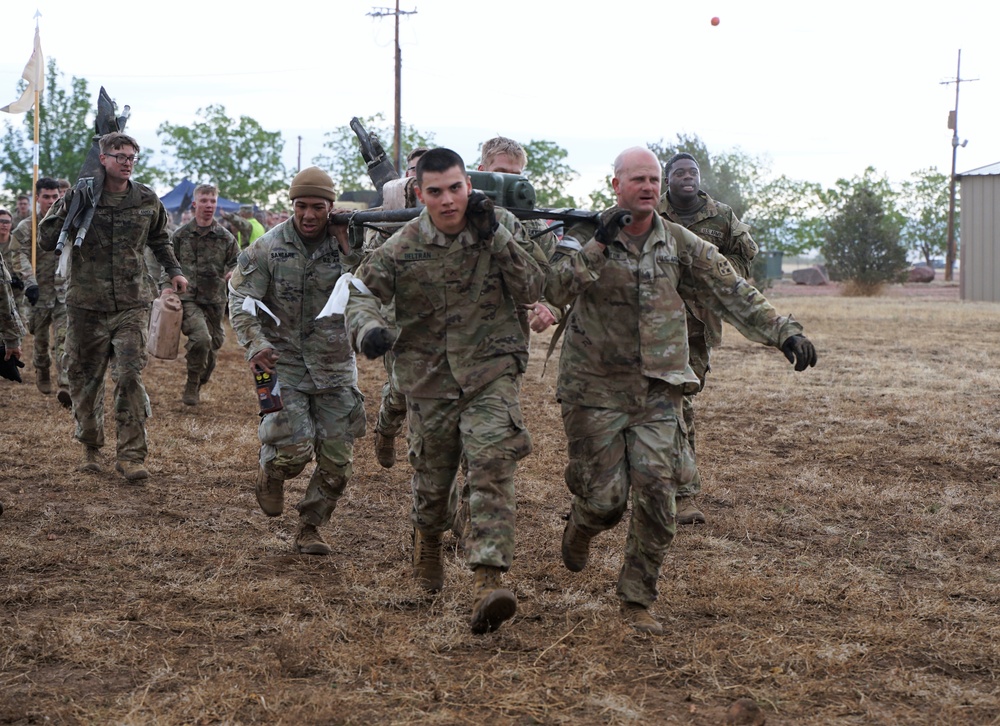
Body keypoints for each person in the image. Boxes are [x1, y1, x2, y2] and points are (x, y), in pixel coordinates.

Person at [548, 147, 816, 634]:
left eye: (654, 179)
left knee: (657, 492)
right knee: (606, 500)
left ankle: (636, 599)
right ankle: (583, 524)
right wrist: (597, 247)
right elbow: (553, 289)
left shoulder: (679, 241)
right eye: (638, 179)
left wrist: (784, 332)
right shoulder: (586, 232)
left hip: (659, 387)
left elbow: (730, 288)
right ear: (616, 185)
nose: (649, 187)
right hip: (594, 389)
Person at [344, 147, 545, 634]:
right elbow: (359, 293)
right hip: (429, 377)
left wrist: (495, 234)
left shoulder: (501, 229)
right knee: (433, 485)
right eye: (435, 191)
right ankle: (427, 539)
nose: (448, 199)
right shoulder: (404, 244)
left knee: (491, 464)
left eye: (456, 188)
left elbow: (534, 285)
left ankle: (488, 579)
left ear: (469, 186)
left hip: (491, 371)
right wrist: (367, 330)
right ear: (419, 194)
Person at [228, 167, 366, 556]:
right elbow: (239, 299)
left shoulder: (349, 244)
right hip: (279, 362)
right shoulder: (267, 247)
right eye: (301, 206)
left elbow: (374, 283)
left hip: (335, 365)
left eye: (317, 207)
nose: (308, 215)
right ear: (291, 205)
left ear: (330, 207)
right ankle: (272, 472)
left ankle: (310, 527)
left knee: (338, 463)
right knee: (293, 450)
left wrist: (350, 249)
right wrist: (255, 344)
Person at [38, 132, 188, 482]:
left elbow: (160, 239)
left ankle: (132, 456)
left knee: (129, 376)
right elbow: (47, 241)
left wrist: (175, 271)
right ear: (102, 159)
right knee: (84, 380)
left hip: (132, 303)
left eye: (131, 156)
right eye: (119, 155)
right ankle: (90, 446)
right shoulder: (80, 195)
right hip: (85, 305)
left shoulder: (147, 199)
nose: (126, 161)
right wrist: (69, 205)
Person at [657, 152, 760, 526]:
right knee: (655, 407)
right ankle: (666, 493)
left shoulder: (721, 216)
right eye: (679, 172)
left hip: (696, 328)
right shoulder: (651, 209)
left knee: (680, 405)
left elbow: (745, 260)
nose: (687, 177)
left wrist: (713, 275)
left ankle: (680, 494)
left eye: (693, 172)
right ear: (668, 179)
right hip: (649, 324)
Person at [152, 183, 239, 406]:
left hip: (215, 301)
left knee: (213, 347)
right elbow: (168, 264)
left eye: (212, 202)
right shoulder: (181, 235)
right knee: (201, 339)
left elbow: (236, 263)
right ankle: (191, 384)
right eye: (204, 201)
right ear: (195, 204)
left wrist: (232, 273)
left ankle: (200, 380)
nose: (208, 206)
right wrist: (166, 287)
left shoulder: (226, 237)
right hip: (188, 299)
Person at [368, 145, 428, 469]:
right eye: (413, 170)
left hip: (435, 319)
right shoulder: (383, 216)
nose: (417, 176)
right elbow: (368, 267)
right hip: (395, 315)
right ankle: (386, 428)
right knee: (402, 388)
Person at [12, 178, 68, 401]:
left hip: (63, 292)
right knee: (41, 340)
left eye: (55, 197)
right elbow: (18, 254)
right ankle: (42, 369)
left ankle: (65, 383)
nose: (51, 201)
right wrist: (29, 281)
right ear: (37, 198)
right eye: (46, 197)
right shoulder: (27, 227)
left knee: (65, 340)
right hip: (38, 293)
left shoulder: (67, 224)